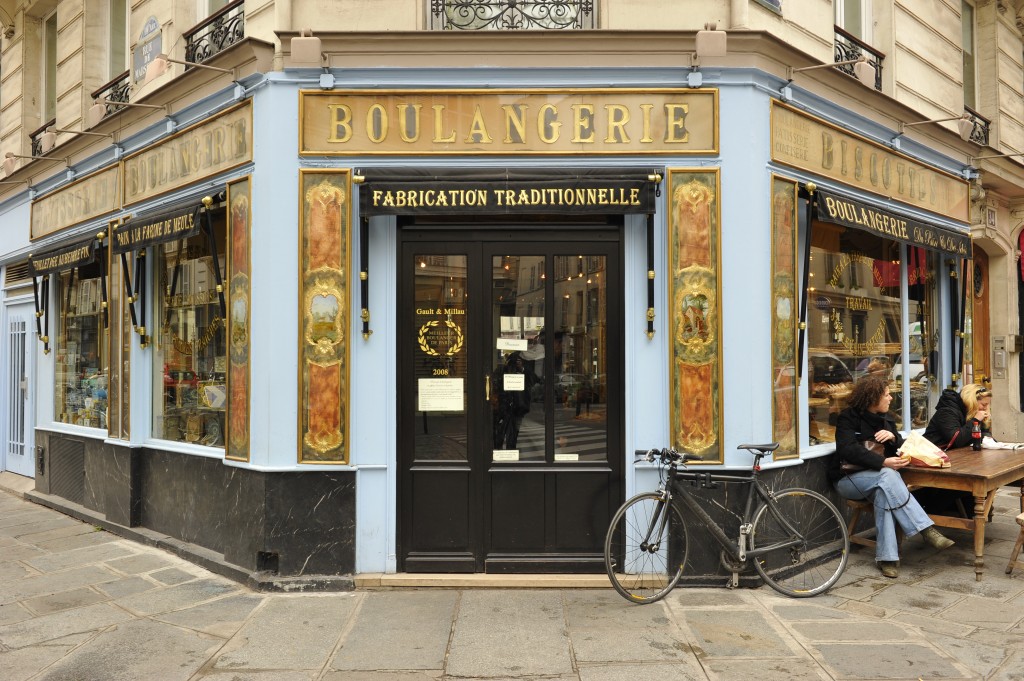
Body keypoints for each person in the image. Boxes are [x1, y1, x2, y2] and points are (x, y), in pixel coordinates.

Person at [830, 374, 955, 579]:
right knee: (888, 475)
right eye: (886, 395)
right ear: (872, 398)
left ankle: (888, 558)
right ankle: (925, 529)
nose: (890, 398)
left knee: (884, 493)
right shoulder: (848, 418)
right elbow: (847, 450)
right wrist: (882, 462)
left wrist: (893, 437)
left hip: (880, 481)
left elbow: (900, 447)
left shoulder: (887, 419)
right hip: (848, 480)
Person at [917, 383, 992, 516]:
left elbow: (982, 433)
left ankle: (968, 512)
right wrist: (976, 420)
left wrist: (988, 437)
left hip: (955, 459)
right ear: (972, 402)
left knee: (984, 478)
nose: (986, 408)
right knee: (968, 483)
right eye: (983, 404)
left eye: (987, 405)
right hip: (930, 461)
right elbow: (957, 439)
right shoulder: (947, 411)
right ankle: (931, 513)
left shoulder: (968, 411)